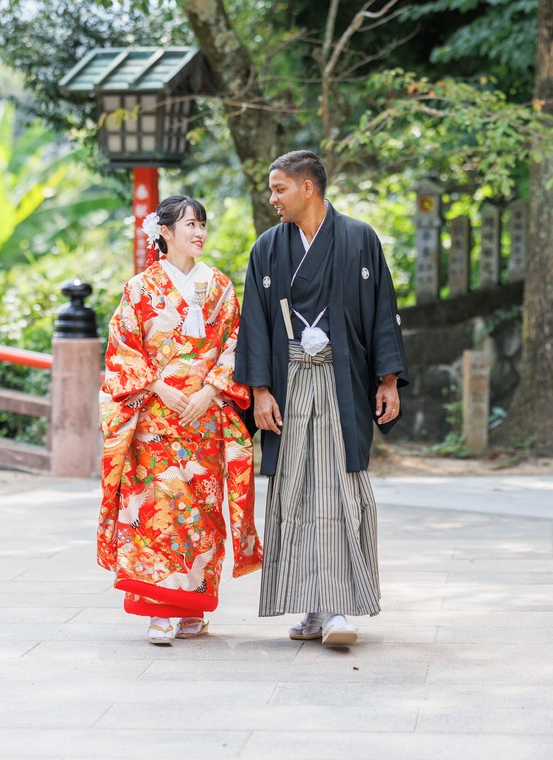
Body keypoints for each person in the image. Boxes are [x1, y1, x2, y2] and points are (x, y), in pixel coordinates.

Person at [235, 150, 409, 646]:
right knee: (293, 490)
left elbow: (383, 312)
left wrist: (388, 379)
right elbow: (255, 323)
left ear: (308, 187)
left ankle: (337, 609)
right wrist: (261, 390)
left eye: (279, 189)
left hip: (342, 380)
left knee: (338, 487)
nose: (273, 199)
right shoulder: (268, 248)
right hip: (288, 383)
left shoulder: (359, 239)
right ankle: (310, 607)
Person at [97, 195, 262, 646]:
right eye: (189, 224)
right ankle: (160, 612)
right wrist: (159, 387)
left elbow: (236, 345)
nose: (199, 232)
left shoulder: (222, 287)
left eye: (202, 224)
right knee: (157, 510)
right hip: (155, 419)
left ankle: (193, 607)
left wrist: (209, 390)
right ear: (165, 232)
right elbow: (123, 349)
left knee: (201, 514)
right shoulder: (140, 288)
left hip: (205, 417)